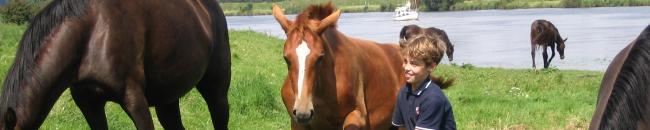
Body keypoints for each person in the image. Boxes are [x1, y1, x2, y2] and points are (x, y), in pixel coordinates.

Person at [392, 34, 456, 130]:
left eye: (414, 64)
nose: (406, 68)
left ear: (431, 67)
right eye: (405, 61)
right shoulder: (403, 92)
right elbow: (402, 127)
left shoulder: (433, 98)